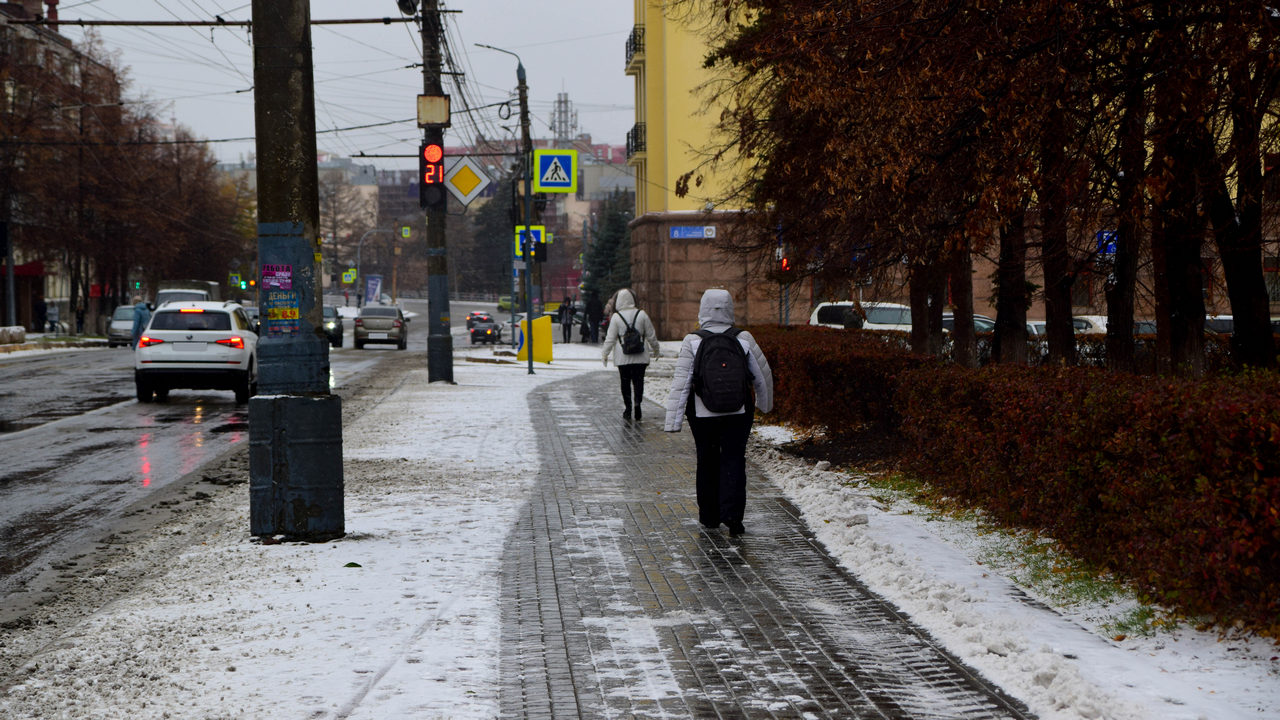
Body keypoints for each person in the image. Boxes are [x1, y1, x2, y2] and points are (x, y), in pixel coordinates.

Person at [663, 288, 773, 537]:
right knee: (734, 459)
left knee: (707, 460)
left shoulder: (693, 340)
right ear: (730, 309)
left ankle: (710, 516)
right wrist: (765, 405)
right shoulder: (743, 337)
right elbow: (762, 376)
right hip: (738, 411)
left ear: (702, 310)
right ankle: (734, 518)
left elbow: (682, 383)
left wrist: (674, 421)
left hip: (703, 415)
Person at [600, 288, 660, 421]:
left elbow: (610, 338)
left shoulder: (616, 317)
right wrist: (656, 349)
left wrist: (605, 354)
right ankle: (638, 403)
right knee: (639, 382)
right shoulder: (642, 314)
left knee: (625, 383)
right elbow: (651, 335)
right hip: (641, 356)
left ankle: (628, 408)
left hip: (623, 357)